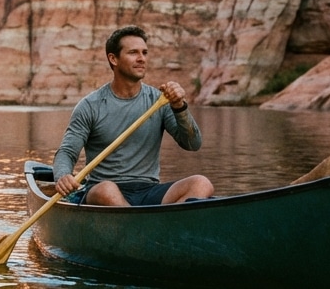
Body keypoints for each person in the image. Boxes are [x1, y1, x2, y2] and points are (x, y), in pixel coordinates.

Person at [52, 26, 214, 206]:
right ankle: (149, 227)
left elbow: (193, 144)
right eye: (133, 53)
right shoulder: (90, 105)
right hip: (103, 191)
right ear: (113, 59)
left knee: (201, 183)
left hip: (148, 190)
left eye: (144, 53)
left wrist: (179, 107)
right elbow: (67, 152)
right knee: (107, 190)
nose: (141, 58)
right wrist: (63, 176)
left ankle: (157, 225)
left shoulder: (160, 101)